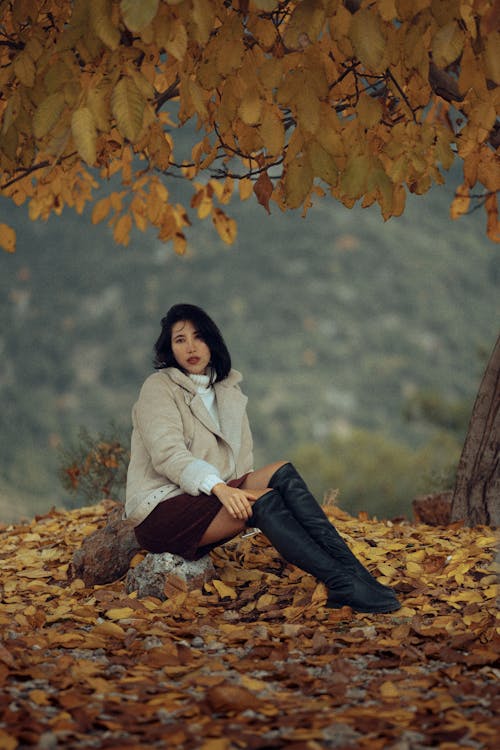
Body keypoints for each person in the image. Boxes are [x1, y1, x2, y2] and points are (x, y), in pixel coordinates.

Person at [125, 303, 400, 614]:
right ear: (169, 349)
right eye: (180, 339)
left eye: (198, 337)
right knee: (263, 500)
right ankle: (342, 585)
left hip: (207, 498)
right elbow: (168, 455)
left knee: (283, 472)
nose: (191, 347)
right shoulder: (158, 388)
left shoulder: (227, 391)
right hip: (161, 511)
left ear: (212, 342)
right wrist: (222, 490)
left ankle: (357, 576)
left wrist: (233, 492)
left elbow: (241, 466)